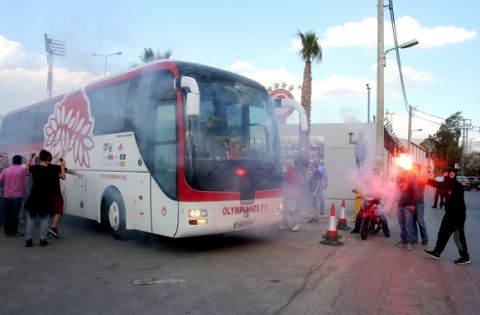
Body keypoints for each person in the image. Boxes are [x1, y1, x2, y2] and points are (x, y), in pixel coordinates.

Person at [424, 167, 471, 264]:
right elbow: (436, 184)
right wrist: (425, 180)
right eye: (450, 174)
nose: (451, 175)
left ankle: (465, 257)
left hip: (458, 216)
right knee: (442, 233)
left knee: (457, 237)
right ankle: (437, 252)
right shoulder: (446, 184)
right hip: (449, 215)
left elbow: (458, 203)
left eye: (453, 174)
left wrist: (457, 220)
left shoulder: (458, 187)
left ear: (455, 175)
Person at [24, 150, 65, 247]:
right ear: (48, 158)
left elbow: (27, 167)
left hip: (34, 197)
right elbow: (63, 176)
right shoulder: (52, 169)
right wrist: (62, 166)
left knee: (31, 219)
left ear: (40, 158)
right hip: (45, 197)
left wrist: (32, 156)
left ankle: (29, 240)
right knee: (44, 219)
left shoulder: (35, 168)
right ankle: (43, 240)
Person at [0, 155, 28, 237]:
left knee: (7, 214)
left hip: (6, 196)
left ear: (12, 161)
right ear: (20, 161)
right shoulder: (22, 170)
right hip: (17, 196)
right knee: (15, 214)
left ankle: (7, 232)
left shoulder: (6, 170)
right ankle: (14, 232)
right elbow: (28, 172)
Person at [46, 153, 72, 239]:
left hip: (45, 194)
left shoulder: (38, 168)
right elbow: (63, 176)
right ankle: (53, 228)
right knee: (58, 210)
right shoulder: (55, 168)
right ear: (50, 159)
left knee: (50, 212)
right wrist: (62, 166)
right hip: (55, 193)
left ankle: (51, 231)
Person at [396, 171, 420, 251]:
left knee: (408, 225)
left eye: (404, 172)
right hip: (399, 206)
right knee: (402, 225)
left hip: (408, 206)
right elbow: (394, 192)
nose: (402, 173)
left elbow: (416, 193)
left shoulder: (412, 181)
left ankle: (410, 242)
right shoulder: (399, 181)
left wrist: (413, 204)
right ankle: (403, 240)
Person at [278, 161, 300, 232]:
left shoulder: (293, 173)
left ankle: (295, 225)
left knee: (292, 211)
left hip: (292, 196)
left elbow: (287, 178)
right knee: (285, 210)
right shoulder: (289, 172)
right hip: (287, 195)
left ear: (291, 167)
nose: (286, 167)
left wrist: (284, 173)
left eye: (287, 166)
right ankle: (285, 224)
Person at [411, 164, 428, 245]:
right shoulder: (411, 178)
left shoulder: (422, 177)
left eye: (415, 169)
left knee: (420, 220)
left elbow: (421, 186)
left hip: (419, 202)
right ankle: (415, 238)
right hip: (411, 202)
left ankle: (425, 238)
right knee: (413, 220)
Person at [0, 153, 7, 229]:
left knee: (2, 206)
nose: (3, 160)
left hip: (3, 189)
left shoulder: (3, 168)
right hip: (1, 189)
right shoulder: (1, 168)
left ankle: (2, 221)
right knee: (1, 206)